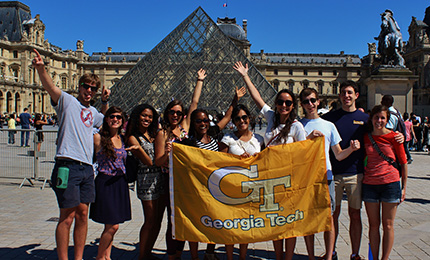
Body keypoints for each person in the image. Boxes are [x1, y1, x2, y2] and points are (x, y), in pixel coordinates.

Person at [32, 49, 110, 260]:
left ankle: (78, 257)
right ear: (79, 87)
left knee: (83, 215)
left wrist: (104, 102)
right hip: (67, 165)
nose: (89, 91)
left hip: (86, 168)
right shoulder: (66, 101)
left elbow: (106, 122)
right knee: (67, 216)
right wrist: (41, 69)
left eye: (93, 88)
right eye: (86, 87)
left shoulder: (93, 112)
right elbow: (50, 86)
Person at [233, 61, 307, 260]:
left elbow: (304, 153)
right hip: (271, 177)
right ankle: (278, 256)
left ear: (293, 106)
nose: (284, 105)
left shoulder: (297, 127)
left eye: (288, 103)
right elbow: (257, 98)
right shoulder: (272, 117)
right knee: (276, 220)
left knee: (289, 221)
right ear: (276, 104)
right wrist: (245, 76)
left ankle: (288, 258)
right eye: (281, 102)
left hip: (289, 178)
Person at [299, 88, 360, 260]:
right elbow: (295, 153)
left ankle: (328, 256)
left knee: (329, 219)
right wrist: (308, 139)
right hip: (306, 178)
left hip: (326, 177)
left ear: (318, 102)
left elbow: (338, 154)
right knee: (308, 220)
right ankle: (311, 256)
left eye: (312, 100)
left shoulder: (329, 126)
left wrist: (351, 149)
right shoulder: (298, 126)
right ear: (301, 104)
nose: (310, 104)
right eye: (306, 101)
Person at [155, 69, 206, 260]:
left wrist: (199, 80)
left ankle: (178, 252)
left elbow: (194, 104)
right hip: (169, 180)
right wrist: (167, 153)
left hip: (185, 180)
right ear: (167, 114)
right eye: (172, 112)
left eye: (178, 113)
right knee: (172, 221)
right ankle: (172, 255)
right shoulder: (162, 133)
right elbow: (158, 161)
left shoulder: (184, 129)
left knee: (183, 219)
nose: (175, 115)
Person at [321, 81, 368, 260]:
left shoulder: (365, 119)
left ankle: (355, 253)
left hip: (355, 173)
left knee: (355, 215)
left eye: (349, 92)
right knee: (333, 215)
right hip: (333, 174)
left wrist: (399, 136)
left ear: (356, 95)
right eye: (343, 93)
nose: (346, 96)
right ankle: (331, 252)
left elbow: (379, 135)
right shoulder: (329, 118)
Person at [219, 104, 264, 260]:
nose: (241, 121)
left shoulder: (259, 139)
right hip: (231, 188)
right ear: (234, 121)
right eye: (237, 118)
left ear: (249, 118)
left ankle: (242, 257)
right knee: (230, 226)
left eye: (244, 117)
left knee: (246, 225)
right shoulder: (227, 139)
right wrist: (237, 160)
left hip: (251, 188)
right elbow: (220, 162)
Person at [363, 105, 407, 260]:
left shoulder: (394, 137)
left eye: (382, 118)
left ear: (387, 120)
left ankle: (385, 258)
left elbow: (403, 163)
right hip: (370, 185)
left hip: (390, 184)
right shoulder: (366, 137)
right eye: (376, 117)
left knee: (388, 225)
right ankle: (374, 258)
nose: (379, 121)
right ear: (371, 118)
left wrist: (404, 188)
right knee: (373, 226)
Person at [90, 106, 132, 260]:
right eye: (112, 116)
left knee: (111, 225)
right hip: (105, 182)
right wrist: (104, 102)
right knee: (113, 225)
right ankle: (100, 257)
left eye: (119, 117)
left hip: (120, 182)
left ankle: (107, 256)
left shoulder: (123, 138)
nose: (115, 119)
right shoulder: (98, 138)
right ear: (106, 119)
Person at [125, 104, 165, 260]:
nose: (147, 119)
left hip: (159, 178)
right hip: (146, 180)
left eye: (150, 116)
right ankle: (142, 256)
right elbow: (149, 161)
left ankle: (148, 252)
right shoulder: (132, 137)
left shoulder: (153, 134)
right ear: (137, 116)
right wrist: (140, 150)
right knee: (149, 220)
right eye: (144, 115)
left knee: (157, 220)